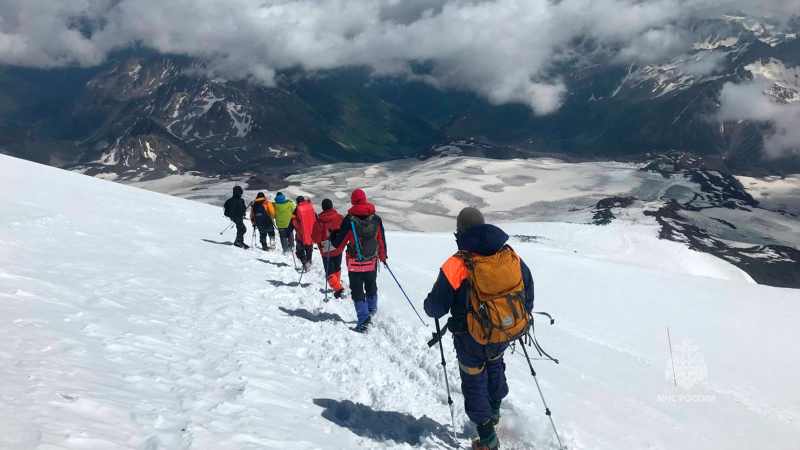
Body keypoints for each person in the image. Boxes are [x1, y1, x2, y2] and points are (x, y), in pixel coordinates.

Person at [423, 207, 534, 450]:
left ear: (459, 233)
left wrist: (429, 303)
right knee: (495, 365)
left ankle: (487, 440)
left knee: (474, 381)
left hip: (470, 337)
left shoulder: (456, 264)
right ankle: (494, 416)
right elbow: (527, 287)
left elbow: (435, 308)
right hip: (503, 332)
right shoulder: (509, 255)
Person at [329, 189, 387, 332]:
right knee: (371, 283)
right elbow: (381, 240)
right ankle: (372, 309)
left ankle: (364, 319)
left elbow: (338, 244)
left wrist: (332, 236)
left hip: (354, 262)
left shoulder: (348, 220)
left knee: (357, 290)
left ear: (353, 200)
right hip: (371, 261)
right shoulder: (376, 219)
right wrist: (383, 257)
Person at [312, 199, 346, 298]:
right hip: (338, 246)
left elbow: (315, 238)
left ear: (323, 208)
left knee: (329, 271)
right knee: (337, 267)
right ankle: (337, 285)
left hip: (326, 249)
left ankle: (339, 288)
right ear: (331, 206)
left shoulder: (319, 222)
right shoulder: (340, 217)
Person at [290, 196, 317, 272]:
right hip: (310, 235)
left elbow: (291, 224)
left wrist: (287, 232)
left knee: (299, 251)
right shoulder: (311, 211)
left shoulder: (295, 212)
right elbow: (316, 220)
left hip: (300, 236)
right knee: (309, 249)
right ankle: (308, 261)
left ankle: (304, 261)